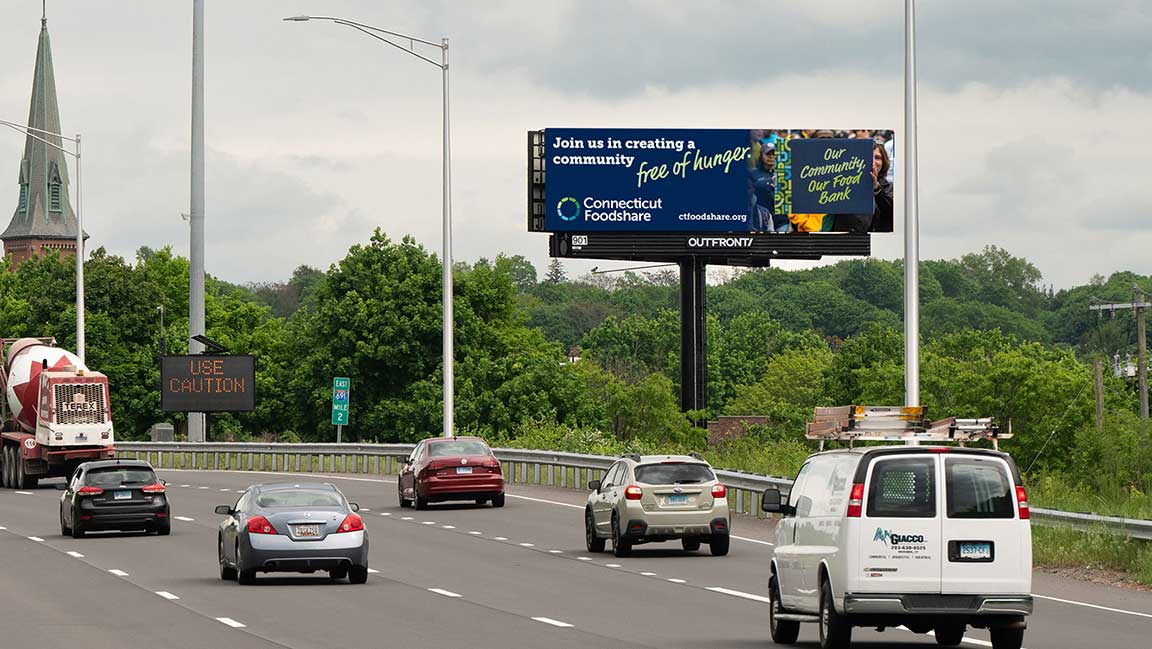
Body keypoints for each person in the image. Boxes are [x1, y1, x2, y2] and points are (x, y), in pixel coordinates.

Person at [869, 141, 894, 232]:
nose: (873, 162)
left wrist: (876, 188)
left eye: (878, 158)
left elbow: (891, 213)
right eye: (869, 157)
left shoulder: (889, 188)